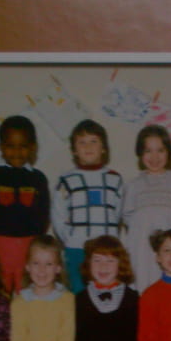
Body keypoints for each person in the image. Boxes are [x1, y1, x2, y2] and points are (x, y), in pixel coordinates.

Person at [0, 114, 50, 293]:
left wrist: (35, 247)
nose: (16, 152)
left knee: (26, 294)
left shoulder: (38, 178)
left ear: (33, 147)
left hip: (28, 248)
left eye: (23, 146)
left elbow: (43, 215)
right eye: (10, 146)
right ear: (1, 147)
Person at [122, 124, 171, 291]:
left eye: (160, 150)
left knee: (170, 283)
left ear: (168, 153)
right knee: (143, 282)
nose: (154, 157)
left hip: (169, 245)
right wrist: (144, 222)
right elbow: (127, 216)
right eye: (148, 151)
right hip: (141, 245)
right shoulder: (134, 185)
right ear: (140, 154)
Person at [51, 119, 123, 293]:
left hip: (106, 249)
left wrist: (110, 238)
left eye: (93, 141)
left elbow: (118, 212)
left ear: (104, 148)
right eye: (82, 142)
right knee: (78, 292)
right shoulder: (66, 179)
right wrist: (70, 239)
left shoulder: (114, 178)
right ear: (74, 150)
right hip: (77, 247)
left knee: (106, 290)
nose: (88, 147)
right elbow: (58, 214)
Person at [75, 234, 143, 341]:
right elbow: (80, 335)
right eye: (97, 260)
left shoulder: (132, 297)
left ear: (120, 265)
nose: (103, 266)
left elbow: (136, 332)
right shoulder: (80, 299)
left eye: (110, 261)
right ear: (88, 264)